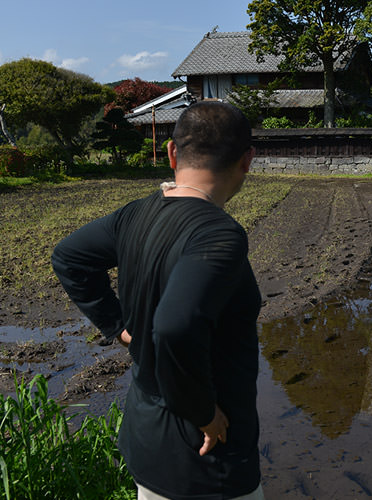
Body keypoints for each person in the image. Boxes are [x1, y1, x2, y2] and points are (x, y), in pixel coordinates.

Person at [52, 101, 263, 499]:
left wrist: (118, 326)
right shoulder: (219, 234)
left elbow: (69, 257)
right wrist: (203, 412)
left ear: (171, 153)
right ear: (247, 159)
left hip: (148, 439)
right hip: (205, 457)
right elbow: (174, 328)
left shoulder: (137, 214)